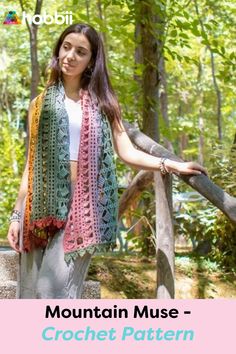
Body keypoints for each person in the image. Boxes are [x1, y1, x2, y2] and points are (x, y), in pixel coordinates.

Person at [7, 23, 207, 299]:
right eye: (66, 47)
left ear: (91, 61)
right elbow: (31, 165)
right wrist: (17, 216)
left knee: (51, 294)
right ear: (58, 50)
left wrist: (171, 164)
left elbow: (127, 152)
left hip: (84, 209)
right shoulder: (39, 104)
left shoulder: (104, 103)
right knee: (29, 293)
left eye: (81, 51)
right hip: (39, 208)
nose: (70, 56)